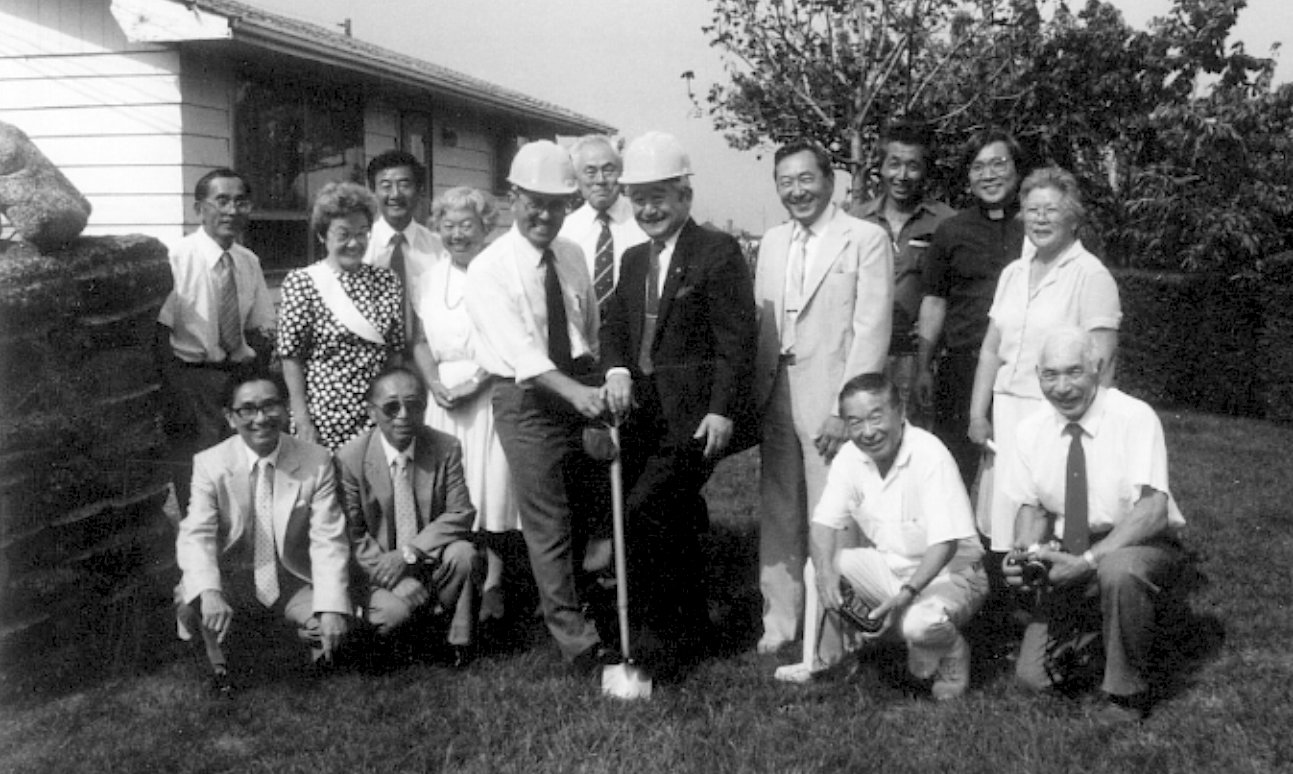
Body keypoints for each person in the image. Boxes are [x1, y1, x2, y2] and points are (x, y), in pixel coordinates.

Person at [601, 131, 758, 678]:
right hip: (643, 419)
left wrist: (722, 409)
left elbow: (737, 343)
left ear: (685, 197)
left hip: (694, 421)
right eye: (638, 198)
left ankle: (656, 650)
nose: (648, 208)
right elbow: (615, 326)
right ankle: (693, 630)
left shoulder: (717, 252)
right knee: (676, 521)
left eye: (659, 196)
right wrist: (617, 368)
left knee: (644, 515)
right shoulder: (633, 259)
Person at [464, 139, 616, 674]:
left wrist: (594, 386)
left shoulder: (570, 255)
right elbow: (523, 354)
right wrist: (577, 395)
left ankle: (597, 610)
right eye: (536, 202)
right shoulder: (488, 269)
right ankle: (577, 644)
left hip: (578, 388)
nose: (546, 215)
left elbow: (588, 331)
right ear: (513, 197)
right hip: (526, 399)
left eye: (558, 204)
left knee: (593, 510)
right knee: (548, 522)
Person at [752, 138, 894, 656]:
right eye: (785, 182)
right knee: (780, 509)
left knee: (834, 514)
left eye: (805, 179)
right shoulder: (769, 242)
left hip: (831, 396)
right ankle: (781, 621)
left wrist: (844, 409)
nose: (797, 191)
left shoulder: (864, 238)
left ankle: (839, 628)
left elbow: (872, 328)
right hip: (776, 393)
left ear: (829, 181)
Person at [1001, 327, 1186, 722]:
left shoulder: (1134, 417)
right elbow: (1031, 510)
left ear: (1097, 369)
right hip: (1072, 543)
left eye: (1074, 372)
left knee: (1120, 572)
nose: (1062, 387)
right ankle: (1114, 634)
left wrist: (1086, 561)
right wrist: (1023, 554)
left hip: (1139, 542)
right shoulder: (1030, 430)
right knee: (1036, 678)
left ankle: (1127, 693)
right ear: (1038, 375)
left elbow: (1153, 511)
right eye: (1050, 375)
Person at [969, 167, 1121, 551]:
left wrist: (1085, 429)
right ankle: (1007, 601)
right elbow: (991, 349)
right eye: (1032, 209)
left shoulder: (1091, 276)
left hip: (1054, 416)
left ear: (1073, 218)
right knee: (1002, 523)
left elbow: (1101, 364)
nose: (1040, 218)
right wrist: (977, 414)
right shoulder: (1013, 274)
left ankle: (1048, 605)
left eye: (1051, 210)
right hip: (1006, 416)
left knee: (1045, 521)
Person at [811, 372, 988, 700]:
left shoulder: (929, 453)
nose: (868, 432)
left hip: (955, 576)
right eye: (855, 422)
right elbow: (823, 524)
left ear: (900, 411)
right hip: (893, 569)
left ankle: (951, 651)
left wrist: (906, 594)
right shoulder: (850, 456)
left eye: (876, 417)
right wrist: (825, 573)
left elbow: (945, 544)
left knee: (918, 625)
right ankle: (823, 657)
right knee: (825, 564)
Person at [174, 369, 350, 698]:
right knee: (193, 599)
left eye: (271, 406)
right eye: (248, 410)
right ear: (230, 417)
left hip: (290, 578)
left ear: (285, 410)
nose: (261, 418)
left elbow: (329, 540)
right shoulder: (210, 464)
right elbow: (197, 534)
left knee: (326, 628)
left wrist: (331, 608)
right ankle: (221, 665)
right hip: (234, 579)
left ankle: (293, 637)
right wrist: (210, 592)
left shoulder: (316, 460)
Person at [412, 186, 517, 623]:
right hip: (443, 395)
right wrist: (433, 381)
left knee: (490, 485)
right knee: (451, 490)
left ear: (485, 227)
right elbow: (419, 340)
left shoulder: (503, 270)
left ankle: (494, 581)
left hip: (488, 389)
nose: (457, 234)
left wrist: (476, 383)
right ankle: (454, 578)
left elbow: (513, 340)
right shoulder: (430, 276)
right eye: (448, 226)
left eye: (466, 225)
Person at [334, 367, 480, 667]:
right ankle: (409, 636)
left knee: (464, 554)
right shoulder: (350, 458)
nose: (403, 415)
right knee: (391, 617)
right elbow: (354, 534)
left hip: (427, 558)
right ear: (371, 411)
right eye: (391, 407)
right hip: (380, 570)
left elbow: (460, 512)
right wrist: (393, 578)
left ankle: (457, 644)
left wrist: (410, 553)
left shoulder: (445, 446)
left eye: (414, 405)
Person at [157, 168, 275, 513]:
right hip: (192, 381)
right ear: (199, 208)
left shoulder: (247, 260)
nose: (232, 210)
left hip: (238, 380)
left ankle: (243, 560)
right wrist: (175, 393)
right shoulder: (178, 258)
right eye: (221, 200)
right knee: (198, 487)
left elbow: (260, 328)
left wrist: (255, 380)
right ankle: (201, 563)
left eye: (240, 201)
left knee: (244, 480)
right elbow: (160, 333)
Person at [917, 128, 1026, 487]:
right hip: (962, 367)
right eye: (979, 167)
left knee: (1019, 469)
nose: (989, 175)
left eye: (998, 164)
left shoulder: (1037, 225)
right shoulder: (951, 231)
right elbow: (934, 301)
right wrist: (923, 367)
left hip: (1023, 369)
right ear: (968, 176)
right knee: (952, 470)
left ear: (1017, 168)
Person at [278, 181, 404, 450]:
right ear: (323, 236)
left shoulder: (386, 280)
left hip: (378, 412)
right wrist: (302, 419)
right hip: (326, 416)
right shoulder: (303, 282)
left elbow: (395, 351)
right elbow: (291, 358)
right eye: (343, 234)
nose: (354, 243)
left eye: (362, 233)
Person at [852, 119, 956, 427]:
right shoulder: (856, 222)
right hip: (865, 355)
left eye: (912, 166)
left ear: (925, 170)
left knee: (915, 449)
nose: (902, 175)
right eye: (893, 164)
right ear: (880, 167)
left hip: (919, 359)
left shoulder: (947, 224)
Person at [559, 134, 648, 317]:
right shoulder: (564, 231)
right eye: (590, 171)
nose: (600, 180)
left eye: (608, 170)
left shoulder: (645, 222)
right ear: (577, 178)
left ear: (621, 173)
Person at [363, 150, 444, 349]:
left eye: (404, 184)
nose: (395, 194)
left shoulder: (439, 248)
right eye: (386, 186)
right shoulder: (360, 247)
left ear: (420, 190)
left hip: (430, 355)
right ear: (373, 192)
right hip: (374, 358)